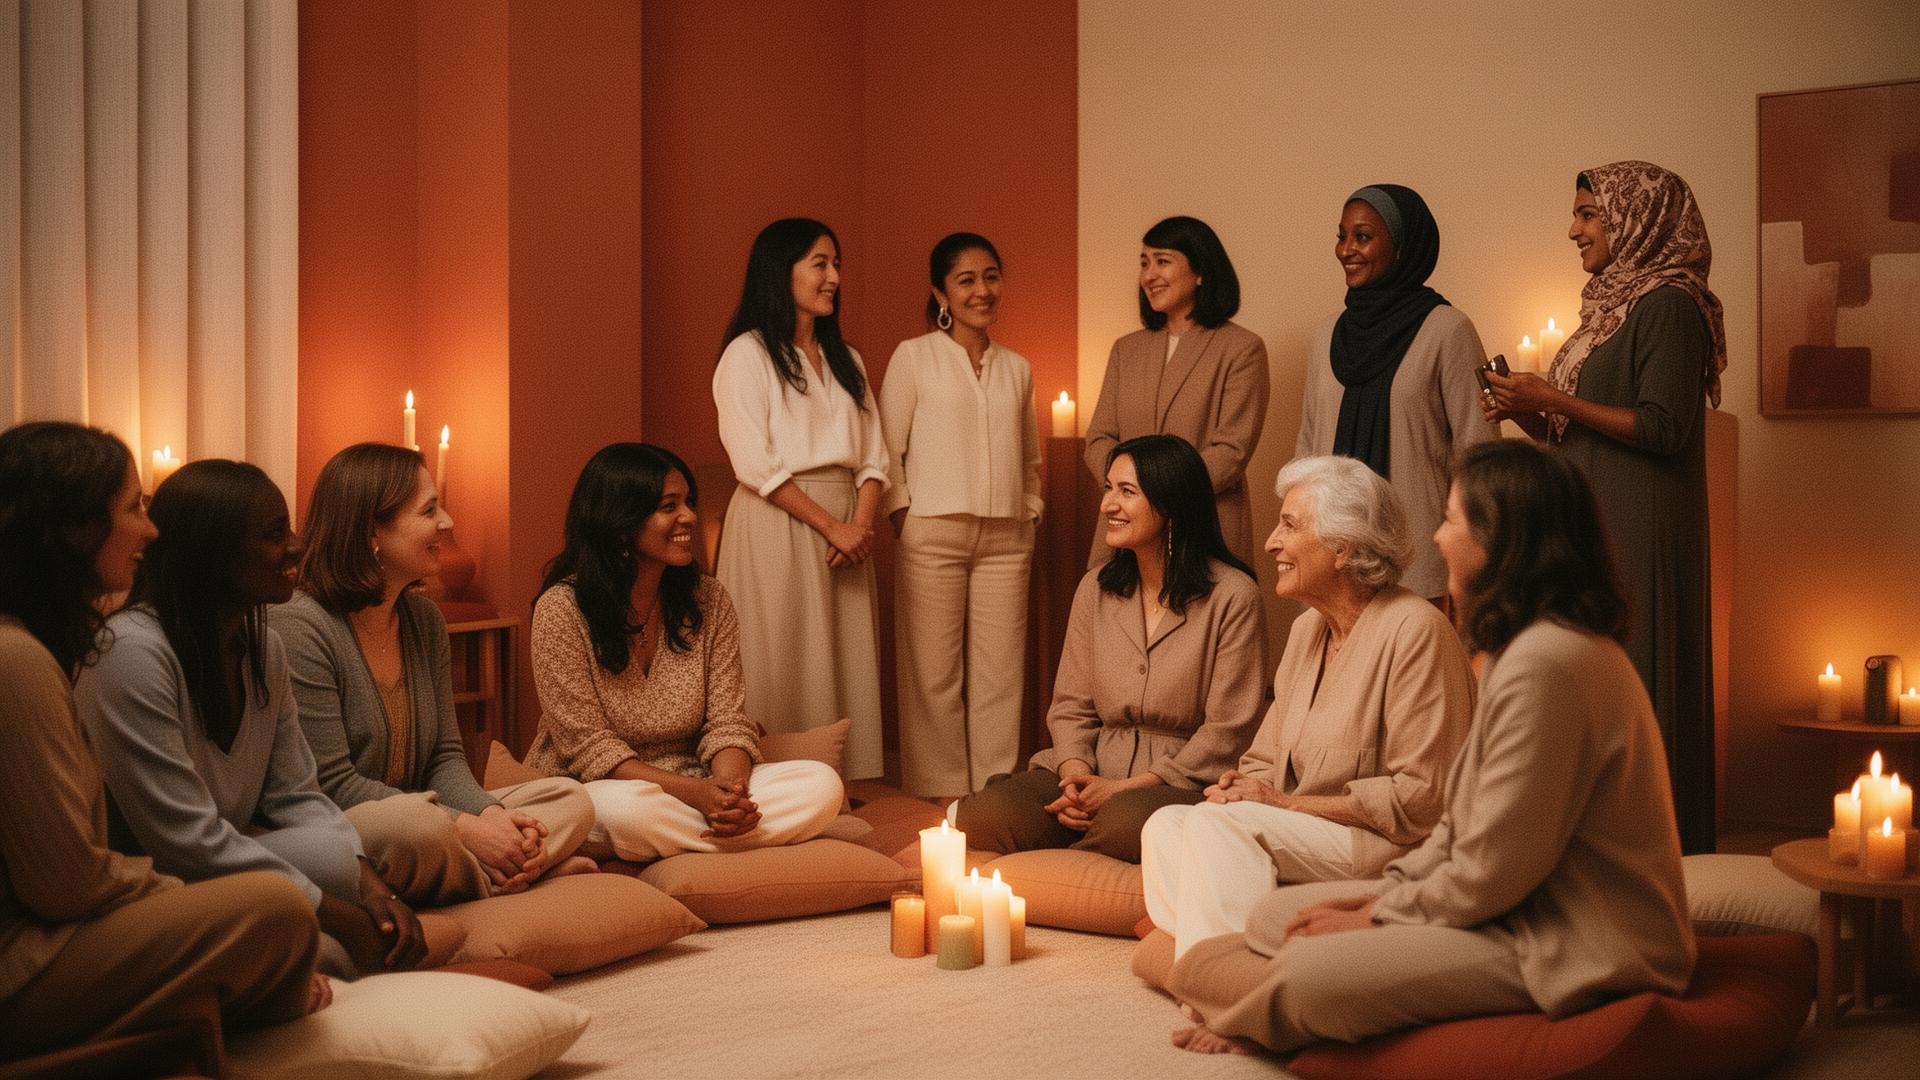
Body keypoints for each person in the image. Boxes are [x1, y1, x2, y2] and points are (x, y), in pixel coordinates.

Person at [1166, 440, 1694, 1056]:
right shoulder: (1515, 652)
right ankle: (1233, 978)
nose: (1437, 538)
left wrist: (1376, 916)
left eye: (1450, 519)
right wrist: (1385, 893)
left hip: (1572, 940)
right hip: (1508, 906)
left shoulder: (1549, 663)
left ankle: (1239, 1016)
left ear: (1502, 539)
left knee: (1311, 973)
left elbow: (1491, 869)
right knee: (1270, 920)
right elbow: (1459, 834)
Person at [0, 422, 324, 1056]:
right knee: (273, 908)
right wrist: (178, 892)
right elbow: (67, 886)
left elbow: (300, 793)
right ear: (70, 530)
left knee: (283, 899)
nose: (149, 531)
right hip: (24, 965)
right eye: (131, 508)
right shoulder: (17, 659)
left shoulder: (32, 648)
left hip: (59, 935)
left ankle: (228, 993)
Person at [75, 459, 428, 975]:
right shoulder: (130, 652)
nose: (296, 545)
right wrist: (342, 918)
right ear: (210, 552)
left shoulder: (264, 646)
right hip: (152, 883)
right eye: (271, 534)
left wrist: (371, 888)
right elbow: (185, 845)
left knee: (332, 849)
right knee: (325, 935)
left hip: (227, 865)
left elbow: (298, 794)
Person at [1483, 161, 1725, 854]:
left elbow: (1662, 427)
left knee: (1636, 677)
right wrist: (1523, 409)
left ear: (1635, 220)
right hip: (1594, 520)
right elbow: (1577, 430)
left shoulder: (1672, 305)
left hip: (1641, 525)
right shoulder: (1606, 308)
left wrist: (1551, 397)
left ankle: (1654, 861)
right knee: (1590, 685)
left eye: (1589, 214)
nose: (1573, 229)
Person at [1141, 456, 1473, 958]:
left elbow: (1422, 799)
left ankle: (1226, 975)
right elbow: (1262, 762)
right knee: (1165, 825)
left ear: (1343, 547)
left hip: (1387, 844)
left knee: (1214, 827)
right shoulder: (1305, 632)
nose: (1272, 541)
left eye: (1289, 525)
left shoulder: (1415, 630)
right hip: (1309, 835)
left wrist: (1283, 804)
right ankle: (1229, 952)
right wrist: (1241, 788)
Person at [270, 442, 596, 906]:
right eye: (429, 510)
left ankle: (496, 870)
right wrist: (465, 827)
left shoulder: (423, 619)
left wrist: (492, 816)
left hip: (427, 816)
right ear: (371, 533)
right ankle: (520, 874)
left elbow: (444, 756)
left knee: (571, 799)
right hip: (350, 821)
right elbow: (332, 784)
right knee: (416, 828)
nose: (448, 522)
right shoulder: (301, 626)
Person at [954, 434, 1265, 864]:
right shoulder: (1096, 587)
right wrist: (1076, 778)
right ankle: (1074, 833)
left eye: (1126, 492)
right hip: (1092, 767)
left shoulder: (1234, 595)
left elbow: (1227, 730)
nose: (1107, 505)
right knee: (985, 814)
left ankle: (1072, 845)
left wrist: (1120, 791)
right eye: (1108, 488)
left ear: (1172, 503)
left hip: (1178, 783)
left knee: (1125, 823)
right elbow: (1070, 706)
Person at [525, 443, 843, 862]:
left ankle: (694, 841)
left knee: (822, 784)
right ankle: (727, 841)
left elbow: (728, 721)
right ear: (620, 524)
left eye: (688, 502)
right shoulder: (561, 610)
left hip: (698, 781)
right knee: (629, 812)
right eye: (669, 506)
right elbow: (589, 749)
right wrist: (696, 797)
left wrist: (729, 793)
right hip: (602, 787)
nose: (690, 517)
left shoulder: (709, 600)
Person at [713, 218, 888, 780]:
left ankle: (843, 782)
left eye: (837, 264)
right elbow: (753, 461)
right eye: (820, 263)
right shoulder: (747, 354)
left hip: (846, 522)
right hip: (776, 517)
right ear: (780, 270)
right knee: (781, 652)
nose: (834, 276)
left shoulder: (848, 360)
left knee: (844, 655)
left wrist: (858, 526)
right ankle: (775, 778)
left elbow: (874, 458)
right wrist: (831, 527)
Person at [879, 232, 1042, 797]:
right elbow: (887, 448)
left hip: (1006, 537)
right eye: (967, 279)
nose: (982, 290)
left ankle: (995, 786)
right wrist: (903, 515)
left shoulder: (1018, 368)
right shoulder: (914, 356)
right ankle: (940, 786)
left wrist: (1030, 511)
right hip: (932, 531)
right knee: (933, 671)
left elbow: (1030, 458)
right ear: (941, 292)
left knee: (1001, 672)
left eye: (991, 276)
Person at [1295, 184, 1496, 602]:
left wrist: (1473, 557)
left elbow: (1478, 457)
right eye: (1342, 236)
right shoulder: (1326, 336)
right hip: (1331, 558)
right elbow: (1308, 452)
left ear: (1403, 247)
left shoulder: (1448, 329)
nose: (1346, 249)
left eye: (1363, 237)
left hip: (1419, 562)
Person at [1084, 215, 1269, 571]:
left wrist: (1157, 492)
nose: (1149, 275)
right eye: (1144, 263)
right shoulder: (1126, 349)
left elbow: (1231, 450)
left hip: (1205, 522)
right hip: (1125, 525)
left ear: (1200, 271)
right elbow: (1099, 438)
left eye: (1162, 261)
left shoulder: (1242, 348)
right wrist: (1130, 496)